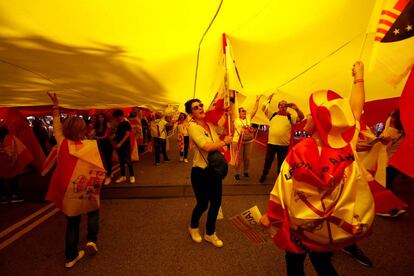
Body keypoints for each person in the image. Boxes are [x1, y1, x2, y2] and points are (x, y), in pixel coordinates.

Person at [260, 61, 375, 275]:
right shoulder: (346, 144)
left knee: (294, 263)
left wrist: (271, 215)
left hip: (300, 226)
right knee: (323, 264)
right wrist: (359, 78)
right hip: (328, 230)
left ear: (320, 121)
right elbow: (356, 111)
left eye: (312, 114)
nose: (308, 117)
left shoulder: (300, 150)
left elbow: (283, 187)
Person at [46, 92, 105, 268]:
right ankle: (91, 241)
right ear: (82, 130)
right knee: (93, 211)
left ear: (66, 129)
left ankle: (71, 257)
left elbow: (56, 125)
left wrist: (55, 106)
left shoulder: (61, 142)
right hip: (87, 186)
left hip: (67, 188)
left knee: (72, 220)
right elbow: (98, 167)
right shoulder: (90, 145)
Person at [185, 99, 232, 248]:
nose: (200, 108)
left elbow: (224, 131)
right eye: (195, 107)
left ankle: (210, 233)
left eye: (201, 105)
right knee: (203, 203)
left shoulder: (210, 125)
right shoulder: (192, 127)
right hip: (200, 172)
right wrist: (224, 143)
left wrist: (228, 116)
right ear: (191, 113)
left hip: (214, 170)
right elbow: (205, 146)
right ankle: (193, 227)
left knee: (216, 203)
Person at [259, 96, 304, 183]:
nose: (283, 107)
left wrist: (297, 109)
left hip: (283, 145)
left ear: (287, 107)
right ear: (278, 106)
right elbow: (263, 108)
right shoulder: (273, 115)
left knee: (281, 162)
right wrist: (269, 99)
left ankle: (279, 178)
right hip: (271, 143)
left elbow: (301, 117)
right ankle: (264, 175)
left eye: (285, 105)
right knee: (268, 160)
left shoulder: (290, 117)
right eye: (281, 105)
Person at [0, 126, 33, 204]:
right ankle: (14, 195)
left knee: (2, 180)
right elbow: (19, 148)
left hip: (3, 163)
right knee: (13, 178)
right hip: (11, 162)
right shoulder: (12, 138)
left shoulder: (9, 139)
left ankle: (3, 196)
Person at [232, 96, 261, 180]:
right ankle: (236, 173)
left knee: (247, 158)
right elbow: (233, 107)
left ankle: (246, 172)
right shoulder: (236, 119)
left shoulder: (248, 117)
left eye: (245, 111)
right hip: (237, 141)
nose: (245, 112)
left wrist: (257, 100)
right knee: (239, 158)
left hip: (249, 141)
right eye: (242, 111)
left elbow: (254, 110)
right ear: (239, 112)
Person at [112, 109, 135, 184]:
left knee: (128, 160)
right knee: (121, 161)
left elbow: (127, 134)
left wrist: (120, 143)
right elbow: (118, 134)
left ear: (119, 116)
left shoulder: (126, 123)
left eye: (115, 117)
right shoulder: (119, 123)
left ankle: (132, 176)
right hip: (119, 145)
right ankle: (123, 176)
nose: (115, 119)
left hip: (125, 145)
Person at [95, 112, 113, 185]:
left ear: (104, 118)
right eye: (99, 117)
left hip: (107, 144)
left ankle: (108, 176)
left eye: (102, 117)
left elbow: (105, 136)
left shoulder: (107, 125)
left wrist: (97, 138)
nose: (100, 119)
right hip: (100, 145)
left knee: (108, 160)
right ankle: (107, 173)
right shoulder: (97, 126)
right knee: (102, 161)